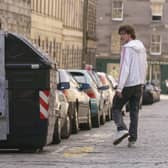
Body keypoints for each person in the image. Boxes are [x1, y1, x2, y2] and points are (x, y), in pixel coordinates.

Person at [112, 25, 147, 147]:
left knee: (115, 107)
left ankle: (121, 129)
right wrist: (142, 82)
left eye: (123, 34)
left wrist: (120, 87)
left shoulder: (127, 48)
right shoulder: (141, 48)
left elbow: (124, 68)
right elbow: (144, 66)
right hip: (138, 84)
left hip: (128, 84)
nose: (121, 37)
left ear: (129, 34)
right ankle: (132, 138)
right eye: (120, 34)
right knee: (134, 111)